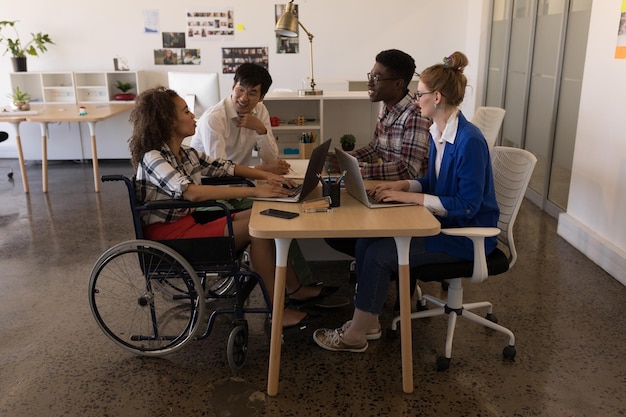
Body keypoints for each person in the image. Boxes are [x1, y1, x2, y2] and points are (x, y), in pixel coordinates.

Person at [313, 51, 500, 352]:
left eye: (421, 94)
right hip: (440, 223)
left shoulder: (469, 141)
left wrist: (408, 195)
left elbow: (467, 205)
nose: (415, 100)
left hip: (464, 234)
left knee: (379, 254)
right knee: (365, 243)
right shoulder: (439, 131)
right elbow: (435, 183)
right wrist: (407, 184)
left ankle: (355, 336)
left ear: (436, 97)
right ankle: (369, 321)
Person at [129, 86, 333, 329]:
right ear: (167, 120)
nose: (192, 115)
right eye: (185, 111)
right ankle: (276, 312)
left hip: (188, 224)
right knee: (260, 229)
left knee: (269, 217)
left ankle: (293, 289)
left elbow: (226, 167)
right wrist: (256, 190)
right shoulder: (153, 157)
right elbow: (192, 193)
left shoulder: (184, 153)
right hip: (170, 236)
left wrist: (267, 178)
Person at [324, 49, 431, 258]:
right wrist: (345, 159)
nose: (370, 83)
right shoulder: (388, 106)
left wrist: (355, 170)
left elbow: (407, 170)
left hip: (411, 200)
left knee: (343, 231)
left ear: (398, 83)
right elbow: (375, 148)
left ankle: (386, 267)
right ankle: (379, 266)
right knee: (333, 227)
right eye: (370, 75)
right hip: (391, 190)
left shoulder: (416, 115)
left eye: (377, 78)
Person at [190, 63, 290, 175]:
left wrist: (261, 129)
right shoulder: (214, 118)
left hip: (241, 180)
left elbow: (271, 159)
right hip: (212, 184)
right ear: (233, 87)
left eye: (252, 93)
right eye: (240, 90)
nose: (243, 98)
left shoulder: (260, 110)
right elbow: (219, 170)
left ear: (261, 97)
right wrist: (261, 170)